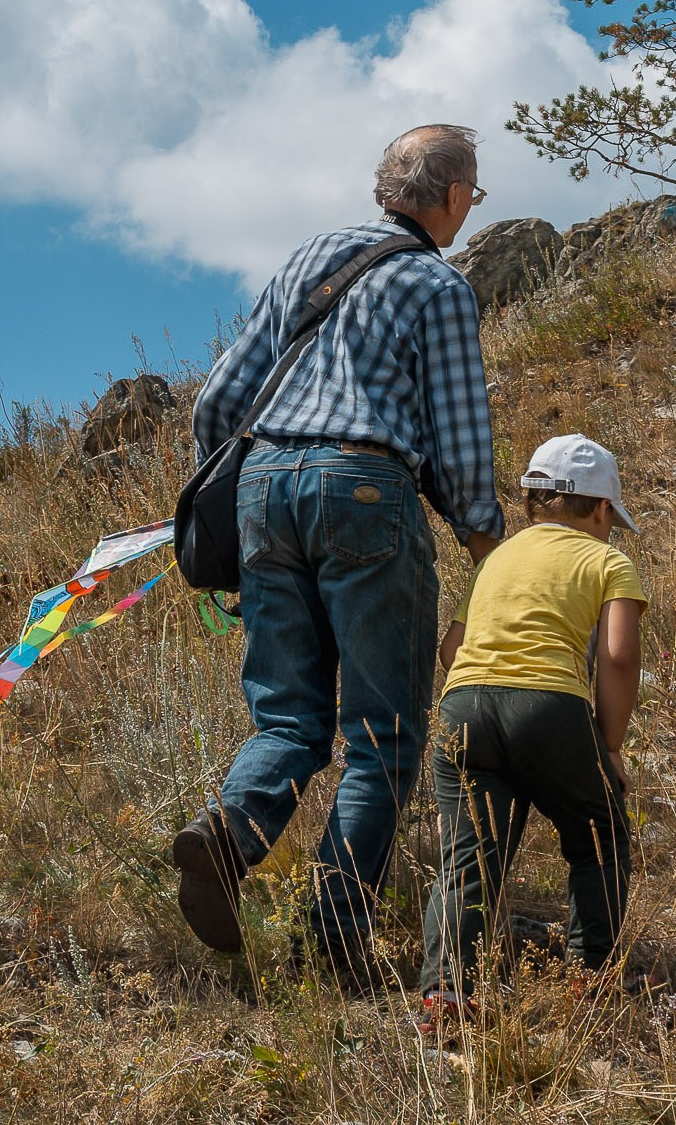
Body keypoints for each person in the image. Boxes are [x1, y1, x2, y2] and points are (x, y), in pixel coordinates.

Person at [171, 124, 506, 982]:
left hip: (260, 490)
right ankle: (333, 934)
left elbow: (217, 403)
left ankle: (227, 833)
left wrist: (246, 505)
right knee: (385, 735)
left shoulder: (311, 254)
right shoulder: (438, 284)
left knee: (288, 719)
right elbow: (463, 442)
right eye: (472, 191)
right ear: (452, 194)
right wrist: (488, 548)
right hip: (365, 490)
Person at [420, 434, 646, 1024]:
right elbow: (619, 659)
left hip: (463, 707)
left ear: (528, 504)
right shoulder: (607, 560)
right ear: (601, 510)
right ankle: (590, 983)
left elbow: (452, 649)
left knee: (467, 857)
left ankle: (446, 997)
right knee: (599, 835)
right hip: (551, 708)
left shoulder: (496, 559)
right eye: (609, 518)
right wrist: (610, 746)